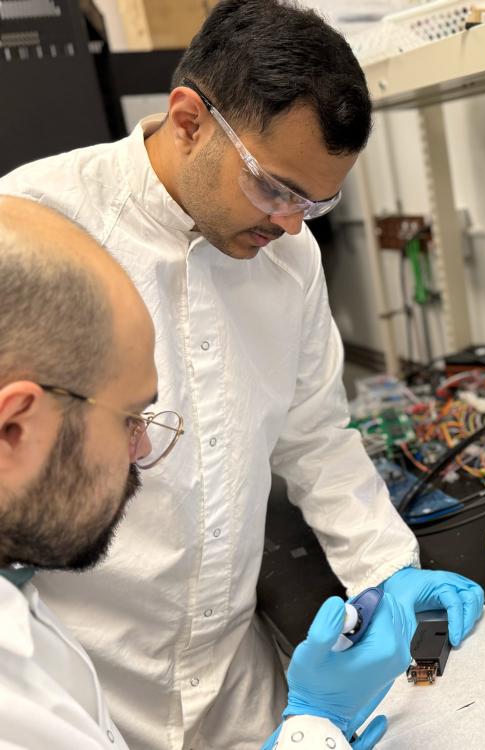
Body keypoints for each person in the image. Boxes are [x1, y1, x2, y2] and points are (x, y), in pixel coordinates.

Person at [0, 1, 484, 748]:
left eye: (316, 202)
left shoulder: (290, 258)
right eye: (275, 187)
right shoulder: (39, 229)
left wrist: (387, 571)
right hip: (87, 687)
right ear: (189, 119)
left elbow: (315, 434)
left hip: (235, 682)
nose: (291, 223)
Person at [0, 197, 414, 750]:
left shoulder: (18, 596)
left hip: (230, 682)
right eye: (130, 418)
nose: (145, 446)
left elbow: (317, 433)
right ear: (14, 428)